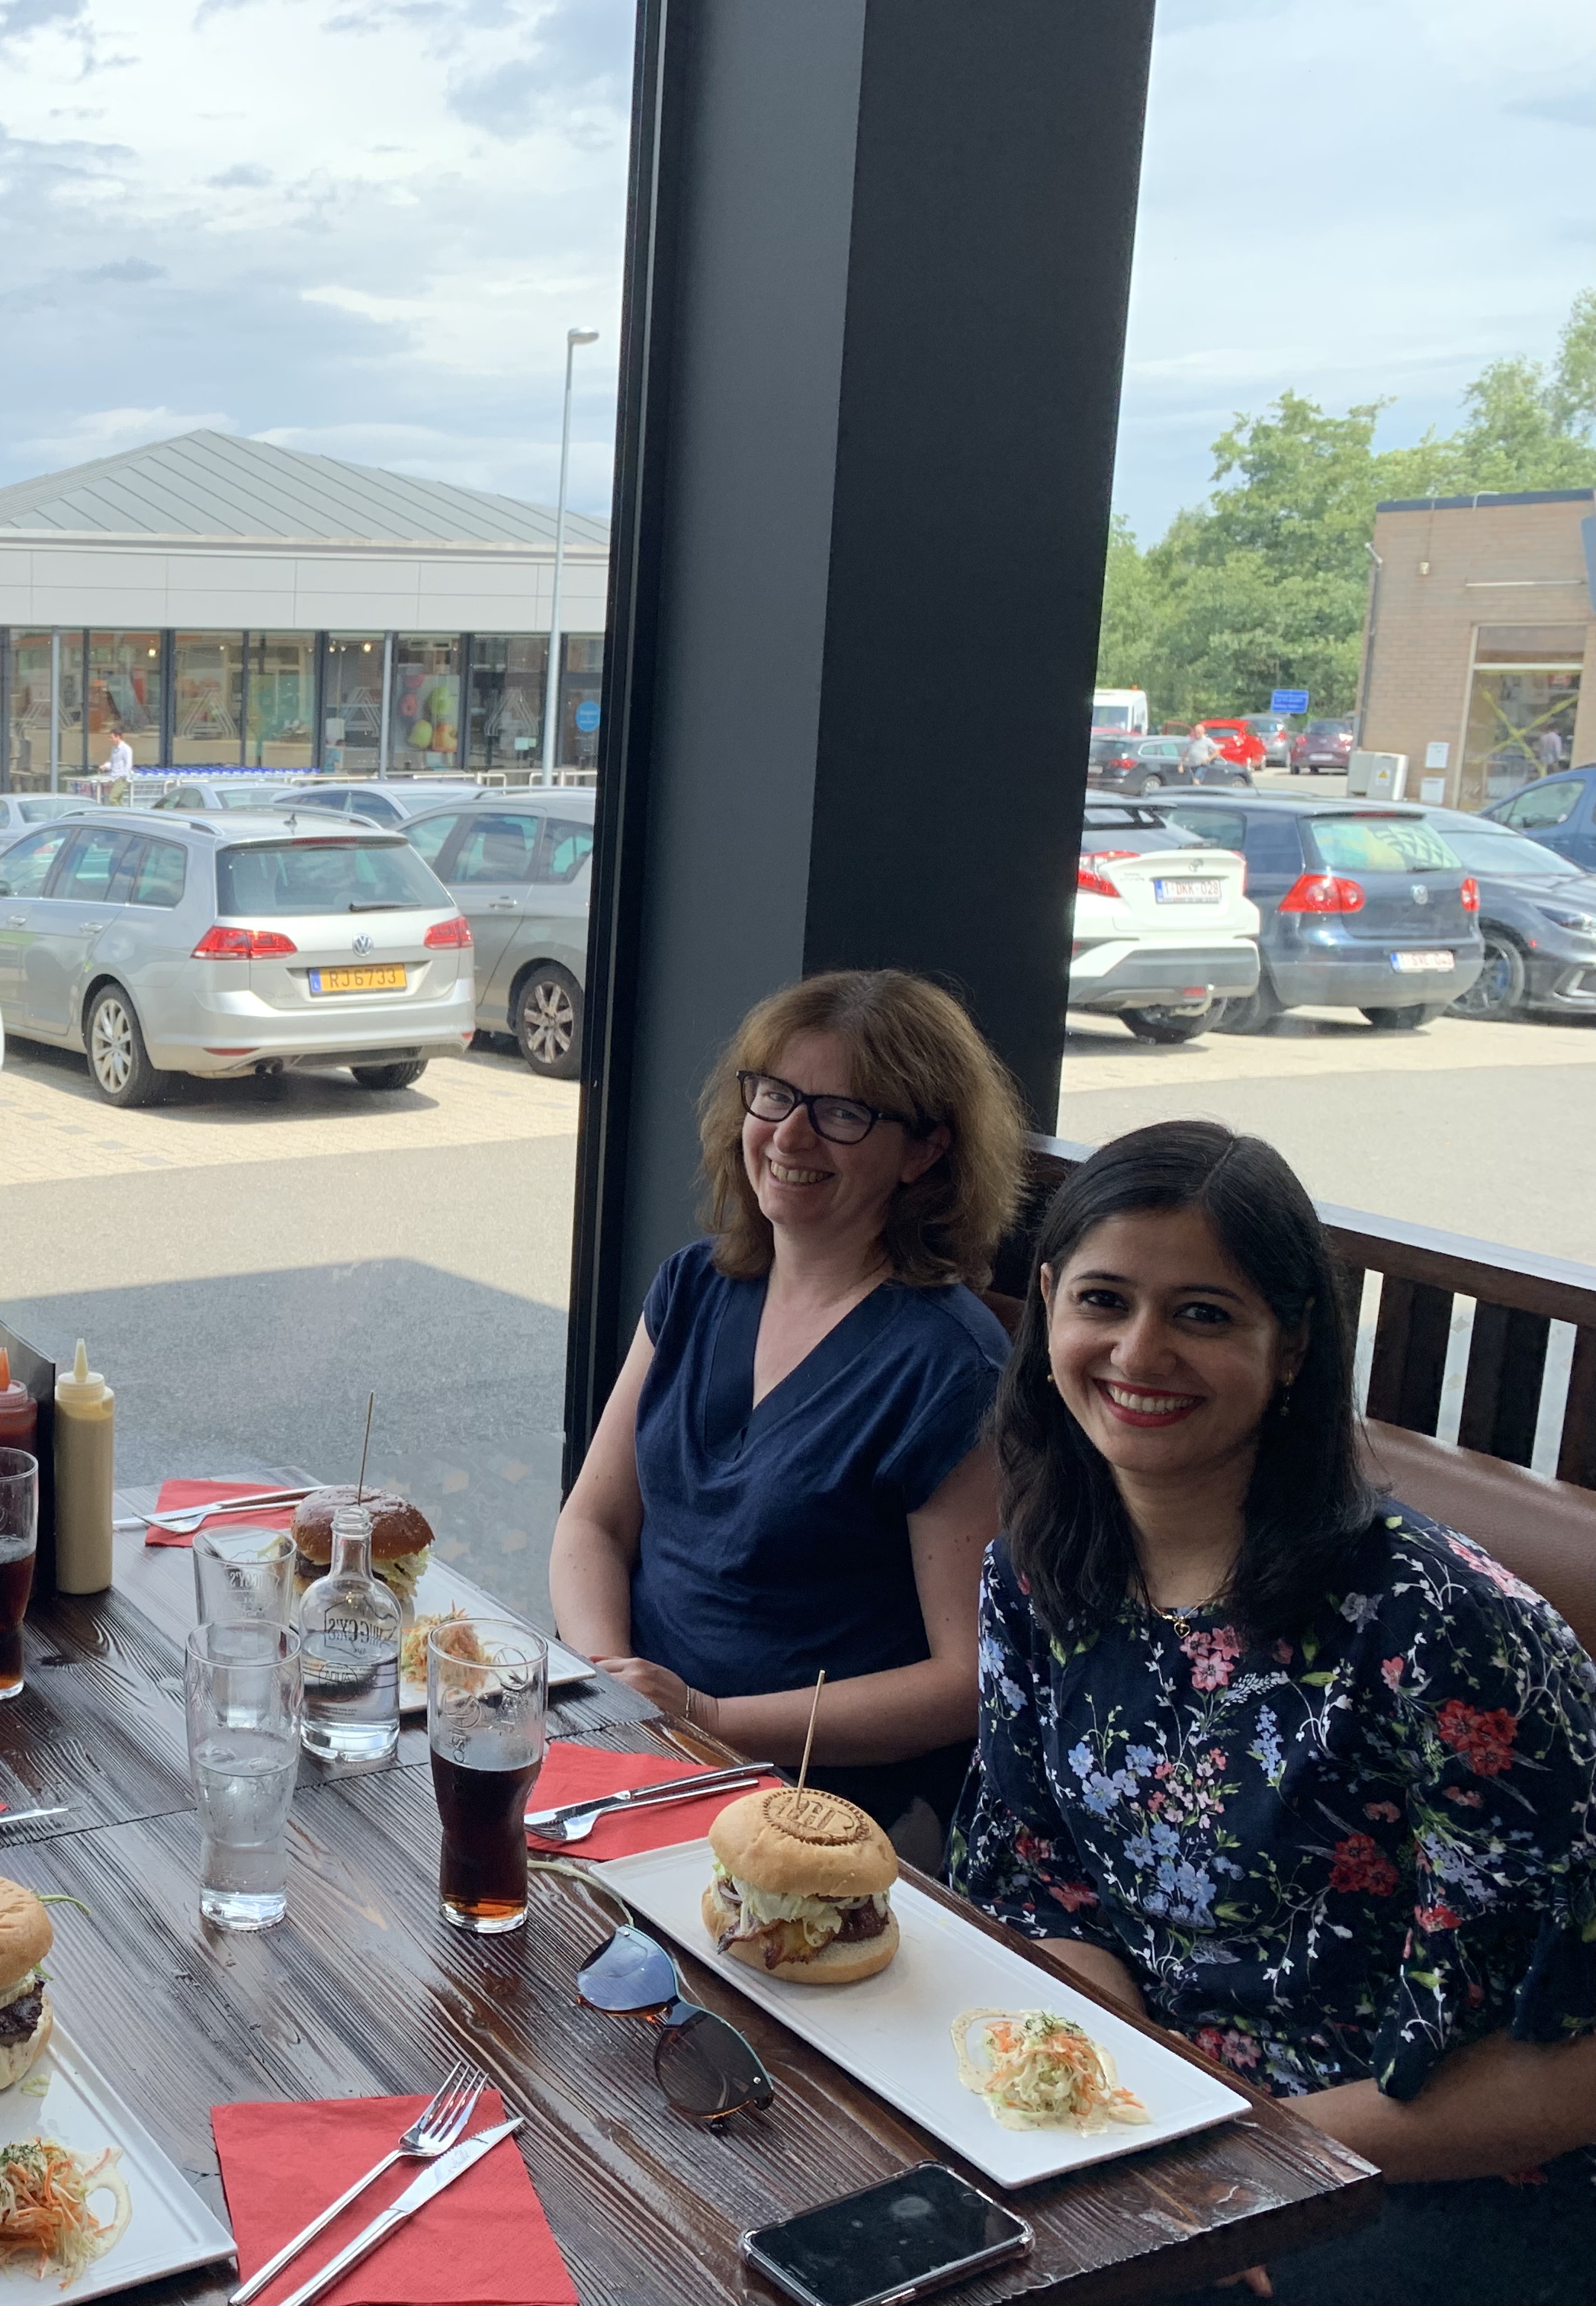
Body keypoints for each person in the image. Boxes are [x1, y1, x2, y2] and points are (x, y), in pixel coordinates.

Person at [952, 1121, 1596, 2303]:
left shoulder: (1439, 1625)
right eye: (1104, 1300)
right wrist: (1119, 2106)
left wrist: (1239, 2156)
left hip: (1437, 2172)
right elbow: (1041, 1881)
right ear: (1046, 1306)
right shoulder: (1037, 1571)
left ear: (1291, 1344)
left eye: (1203, 1313)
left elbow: (1567, 2062)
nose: (1140, 1351)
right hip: (1169, 2118)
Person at [548, 969, 1022, 1855]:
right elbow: (594, 1523)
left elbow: (965, 1681)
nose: (791, 1134)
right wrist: (613, 1687)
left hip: (811, 1805)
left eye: (843, 1113)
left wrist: (704, 1716)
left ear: (924, 1152)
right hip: (636, 1746)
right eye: (775, 1095)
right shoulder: (695, 1283)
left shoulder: (950, 1365)